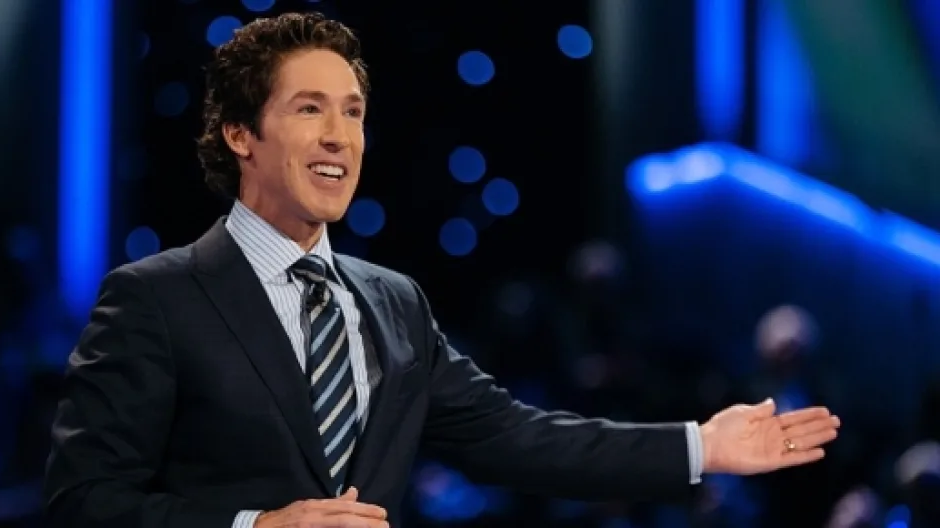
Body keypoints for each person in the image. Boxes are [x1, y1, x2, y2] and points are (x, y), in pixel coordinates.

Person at [42, 12, 841, 528]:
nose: (340, 136)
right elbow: (83, 501)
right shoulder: (155, 298)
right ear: (240, 135)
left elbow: (519, 439)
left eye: (354, 112)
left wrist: (699, 446)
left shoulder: (393, 304)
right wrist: (256, 527)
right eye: (309, 108)